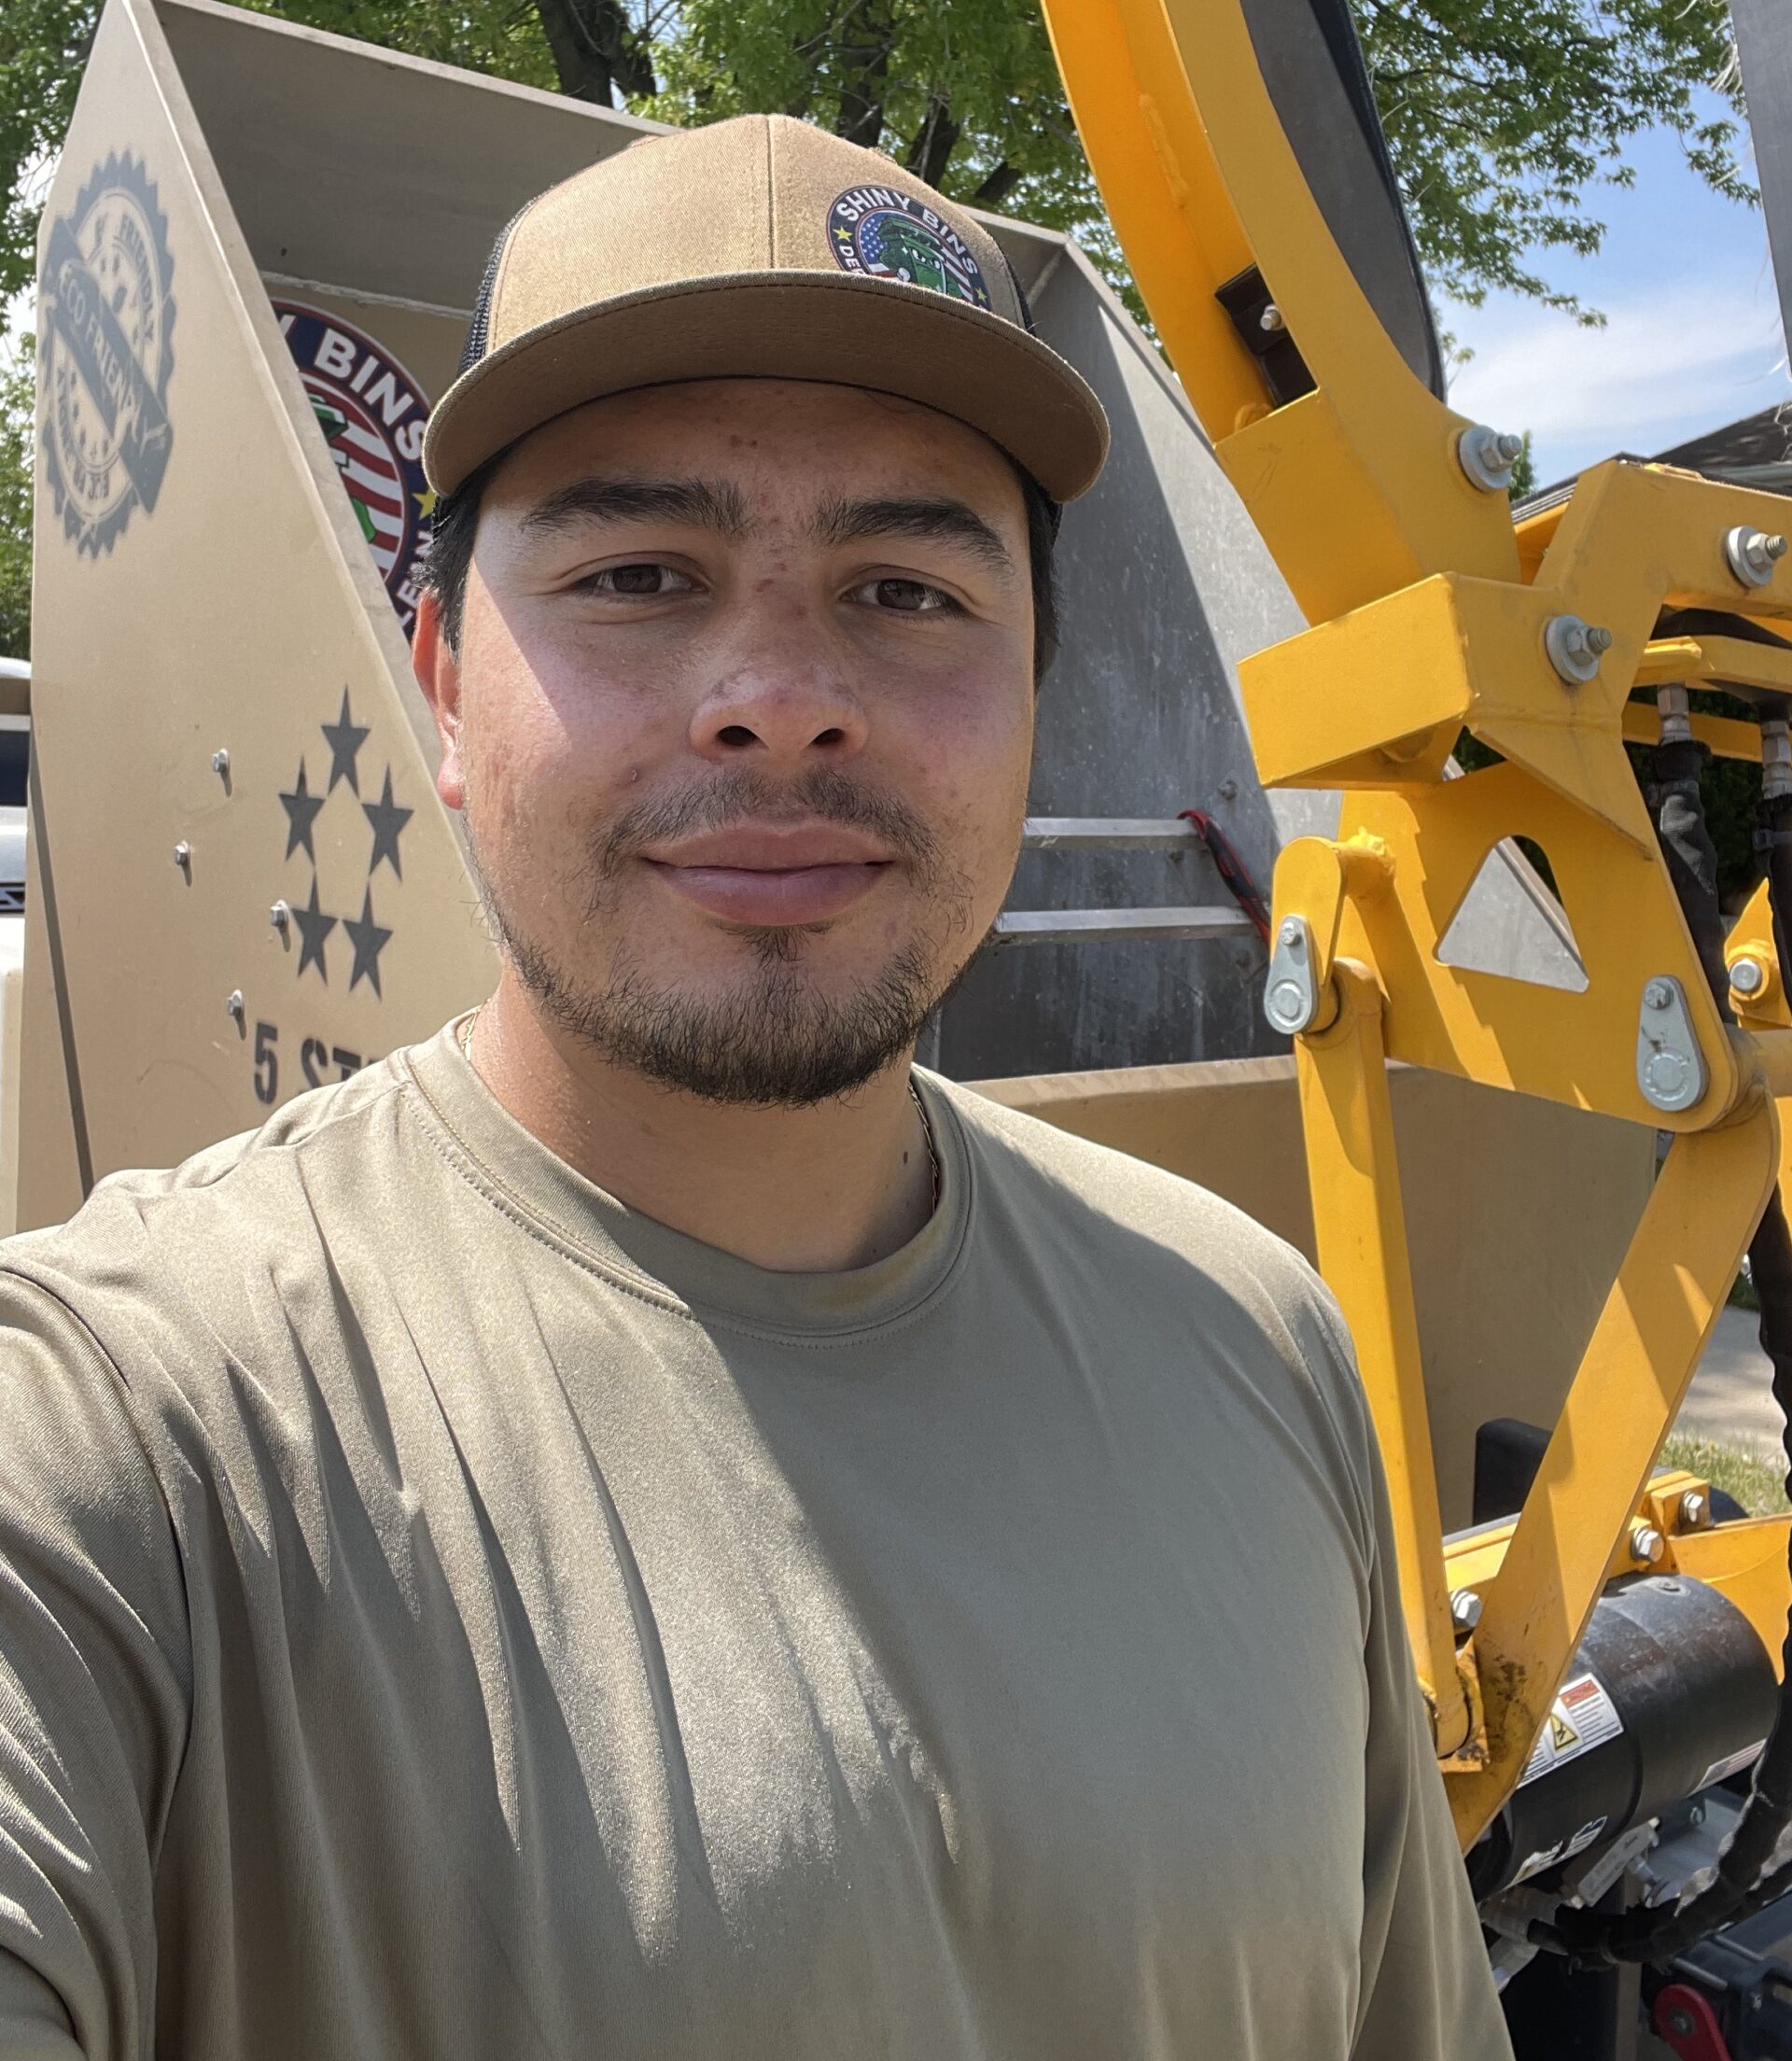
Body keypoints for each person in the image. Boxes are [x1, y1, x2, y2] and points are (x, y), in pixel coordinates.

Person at [0, 113, 1511, 2058]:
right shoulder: (117, 1446)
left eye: (907, 588)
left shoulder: (1256, 1333)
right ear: (446, 685)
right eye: (639, 571)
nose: (781, 689)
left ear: (1037, 684)